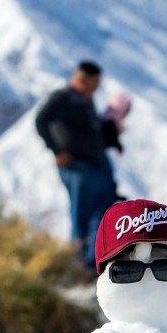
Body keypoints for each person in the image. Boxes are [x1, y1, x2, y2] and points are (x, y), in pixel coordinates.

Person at [35, 61, 117, 271]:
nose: (96, 88)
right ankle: (79, 264)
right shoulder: (64, 98)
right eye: (94, 83)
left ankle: (96, 261)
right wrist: (57, 150)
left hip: (95, 165)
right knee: (81, 214)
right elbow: (41, 120)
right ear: (82, 80)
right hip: (78, 167)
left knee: (102, 212)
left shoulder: (85, 101)